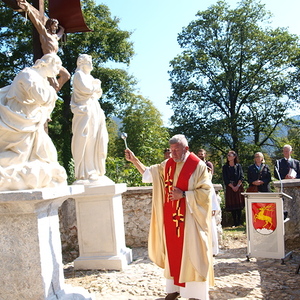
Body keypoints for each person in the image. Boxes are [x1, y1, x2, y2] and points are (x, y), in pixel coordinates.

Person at [125, 134, 214, 300]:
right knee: (173, 253)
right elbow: (148, 175)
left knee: (193, 253)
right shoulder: (167, 165)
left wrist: (185, 194)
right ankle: (174, 288)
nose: (172, 153)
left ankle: (195, 293)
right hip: (172, 219)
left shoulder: (198, 166)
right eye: (171, 150)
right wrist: (134, 160)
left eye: (176, 150)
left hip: (191, 219)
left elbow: (207, 192)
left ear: (186, 149)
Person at [0, 53, 67, 191]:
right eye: (57, 65)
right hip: (19, 122)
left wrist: (50, 91)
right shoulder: (28, 74)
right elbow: (40, 97)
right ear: (46, 63)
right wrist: (52, 92)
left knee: (48, 154)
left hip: (31, 122)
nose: (58, 70)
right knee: (18, 157)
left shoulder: (41, 79)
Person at [17, 0, 70, 91]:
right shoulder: (44, 34)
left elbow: (61, 32)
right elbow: (36, 22)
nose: (56, 28)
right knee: (53, 84)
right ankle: (51, 94)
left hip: (55, 61)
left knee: (66, 75)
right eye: (55, 25)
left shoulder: (55, 37)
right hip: (48, 61)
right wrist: (28, 9)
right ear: (49, 25)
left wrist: (62, 28)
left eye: (57, 26)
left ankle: (53, 92)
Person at [71, 54, 108, 182]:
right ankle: (88, 170)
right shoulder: (78, 75)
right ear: (81, 63)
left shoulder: (90, 77)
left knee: (98, 139)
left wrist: (95, 86)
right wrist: (96, 85)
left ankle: (96, 169)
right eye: (89, 62)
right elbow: (87, 89)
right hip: (85, 111)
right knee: (87, 139)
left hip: (94, 108)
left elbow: (98, 93)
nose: (91, 65)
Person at [222, 150, 245, 227]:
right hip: (230, 187)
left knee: (239, 205)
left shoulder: (238, 166)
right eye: (227, 155)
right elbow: (225, 179)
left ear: (234, 157)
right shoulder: (225, 167)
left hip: (238, 186)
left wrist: (237, 186)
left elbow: (242, 177)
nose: (228, 157)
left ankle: (239, 222)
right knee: (232, 205)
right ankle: (234, 222)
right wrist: (232, 186)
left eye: (230, 155)